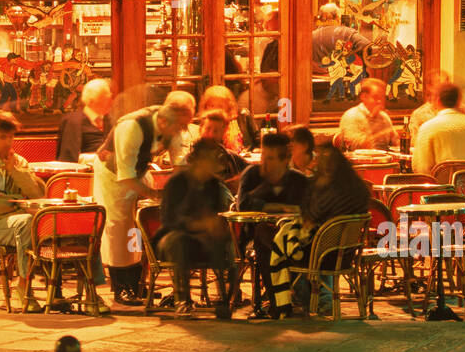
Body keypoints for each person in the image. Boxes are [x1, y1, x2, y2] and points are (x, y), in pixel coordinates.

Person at [0, 112, 97, 313]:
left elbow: (38, 193)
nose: (8, 142)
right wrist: (20, 203)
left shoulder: (18, 162)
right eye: (3, 137)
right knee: (28, 222)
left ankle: (75, 289)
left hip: (20, 221)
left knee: (62, 222)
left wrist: (16, 173)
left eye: (11, 137)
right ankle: (23, 286)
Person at [92, 90, 196, 305]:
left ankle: (137, 283)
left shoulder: (174, 127)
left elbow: (179, 164)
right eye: (181, 124)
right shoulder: (132, 126)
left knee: (137, 228)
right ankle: (121, 287)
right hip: (113, 174)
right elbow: (125, 175)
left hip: (138, 171)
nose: (183, 130)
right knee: (120, 228)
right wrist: (155, 194)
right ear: (168, 116)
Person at [269, 143, 370, 318]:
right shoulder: (358, 188)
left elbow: (310, 216)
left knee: (270, 239)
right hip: (346, 254)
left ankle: (286, 301)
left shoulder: (331, 190)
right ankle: (312, 300)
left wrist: (315, 186)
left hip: (323, 254)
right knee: (283, 238)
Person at [152, 139, 236, 317]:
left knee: (225, 242)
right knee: (180, 241)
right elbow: (168, 220)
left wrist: (215, 226)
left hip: (203, 238)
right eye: (211, 158)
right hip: (173, 237)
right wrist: (196, 225)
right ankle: (183, 300)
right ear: (198, 160)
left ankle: (224, 299)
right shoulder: (177, 182)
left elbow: (216, 214)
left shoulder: (213, 184)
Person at [236, 132, 310, 316]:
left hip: (294, 238)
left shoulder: (298, 180)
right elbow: (243, 205)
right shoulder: (252, 175)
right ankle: (278, 301)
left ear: (285, 159)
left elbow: (310, 210)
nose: (264, 163)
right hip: (255, 238)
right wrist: (282, 208)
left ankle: (286, 301)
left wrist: (272, 208)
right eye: (262, 157)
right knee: (264, 234)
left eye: (269, 159)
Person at [412, 84, 465, 175]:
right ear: (458, 101)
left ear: (438, 101)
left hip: (442, 187)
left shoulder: (428, 128)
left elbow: (421, 167)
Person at [55, 78, 113, 162]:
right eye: (106, 97)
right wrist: (97, 158)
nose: (111, 101)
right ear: (92, 100)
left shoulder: (110, 120)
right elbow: (68, 158)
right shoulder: (73, 121)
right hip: (85, 173)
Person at [408, 70, 465, 146]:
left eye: (447, 83)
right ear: (429, 87)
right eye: (440, 84)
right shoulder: (419, 114)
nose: (446, 87)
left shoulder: (464, 110)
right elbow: (415, 143)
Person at [189, 85, 259, 152]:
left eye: (220, 106)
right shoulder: (202, 124)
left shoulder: (243, 116)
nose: (216, 110)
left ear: (229, 106)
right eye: (212, 105)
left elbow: (258, 139)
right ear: (205, 106)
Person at [337, 77, 396, 150]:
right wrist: (375, 123)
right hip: (357, 160)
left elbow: (395, 143)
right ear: (364, 97)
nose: (380, 101)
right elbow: (355, 146)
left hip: (384, 159)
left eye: (382, 97)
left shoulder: (384, 117)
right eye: (376, 97)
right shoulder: (351, 116)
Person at [195, 111, 249, 187]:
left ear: (223, 133)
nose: (211, 135)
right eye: (208, 129)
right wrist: (230, 184)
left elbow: (252, 171)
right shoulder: (191, 160)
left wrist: (242, 179)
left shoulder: (230, 156)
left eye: (216, 131)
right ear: (200, 130)